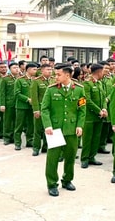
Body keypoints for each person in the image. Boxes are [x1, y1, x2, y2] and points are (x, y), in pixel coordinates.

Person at [41, 63, 86, 197]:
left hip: (72, 129)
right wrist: (47, 125)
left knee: (70, 157)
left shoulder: (79, 89)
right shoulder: (51, 90)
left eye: (59, 74)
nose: (56, 77)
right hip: (55, 129)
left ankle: (67, 180)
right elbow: (45, 109)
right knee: (53, 158)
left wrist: (79, 125)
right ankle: (52, 184)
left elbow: (82, 110)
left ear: (67, 75)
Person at [80, 63, 108, 168]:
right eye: (103, 71)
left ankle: (92, 157)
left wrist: (104, 108)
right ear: (99, 72)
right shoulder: (87, 84)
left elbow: (104, 97)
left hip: (99, 116)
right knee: (87, 139)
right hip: (89, 116)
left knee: (96, 138)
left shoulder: (99, 83)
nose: (104, 73)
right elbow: (87, 100)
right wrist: (98, 111)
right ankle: (84, 158)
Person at [30, 63, 53, 156]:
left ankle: (46, 147)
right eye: (48, 69)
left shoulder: (53, 80)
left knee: (48, 129)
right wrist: (36, 109)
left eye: (51, 69)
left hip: (50, 109)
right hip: (40, 109)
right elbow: (34, 97)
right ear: (42, 71)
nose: (50, 71)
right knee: (37, 130)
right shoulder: (36, 81)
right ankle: (36, 147)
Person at [14, 62, 38, 150]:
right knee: (19, 125)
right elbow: (17, 94)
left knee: (31, 125)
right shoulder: (20, 80)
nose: (36, 71)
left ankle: (30, 140)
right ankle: (17, 142)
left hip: (32, 107)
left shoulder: (35, 80)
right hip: (21, 106)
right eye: (34, 69)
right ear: (28, 69)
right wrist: (27, 99)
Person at [0, 62, 20, 145]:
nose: (16, 69)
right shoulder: (5, 79)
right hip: (8, 103)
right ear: (10, 69)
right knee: (7, 121)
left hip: (18, 103)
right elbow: (2, 93)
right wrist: (2, 104)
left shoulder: (20, 78)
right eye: (14, 68)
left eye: (17, 67)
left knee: (17, 121)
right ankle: (7, 137)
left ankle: (14, 138)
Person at [0, 62, 8, 140]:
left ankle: (4, 133)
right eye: (2, 67)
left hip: (6, 101)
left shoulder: (9, 78)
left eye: (5, 67)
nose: (3, 69)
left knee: (6, 119)